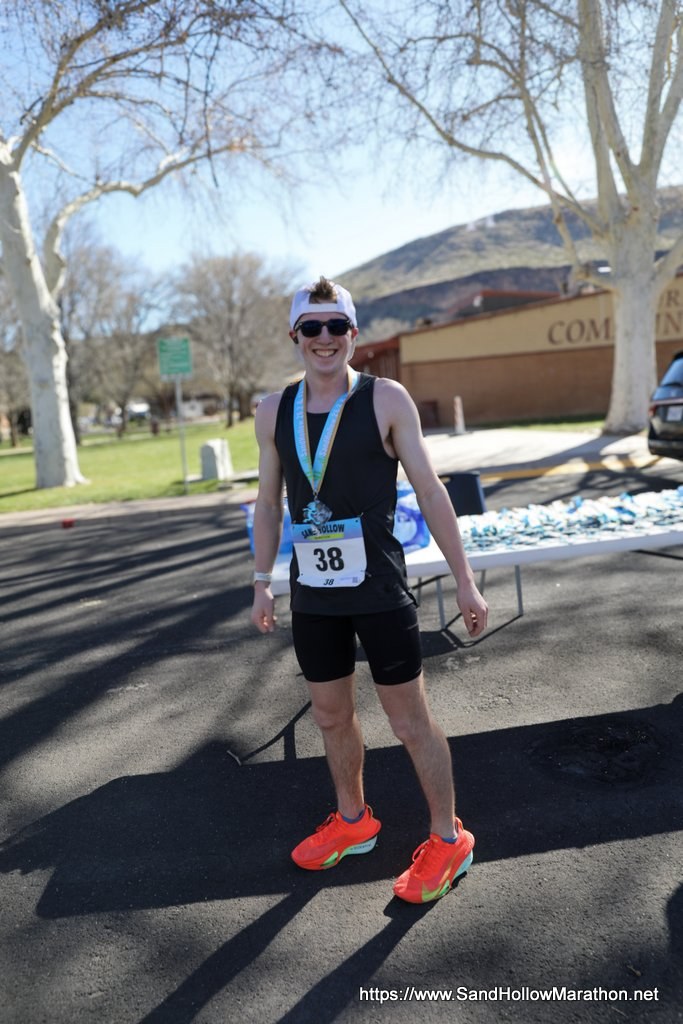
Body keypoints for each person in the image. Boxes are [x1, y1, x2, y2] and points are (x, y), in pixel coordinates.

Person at [250, 276, 488, 904]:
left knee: (410, 721)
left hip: (379, 587)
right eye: (312, 327)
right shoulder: (273, 411)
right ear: (296, 335)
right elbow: (267, 503)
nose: (324, 338)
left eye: (337, 327)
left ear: (353, 334)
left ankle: (449, 838)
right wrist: (261, 581)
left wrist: (464, 580)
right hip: (314, 594)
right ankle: (353, 822)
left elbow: (430, 490)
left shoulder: (385, 399)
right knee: (331, 716)